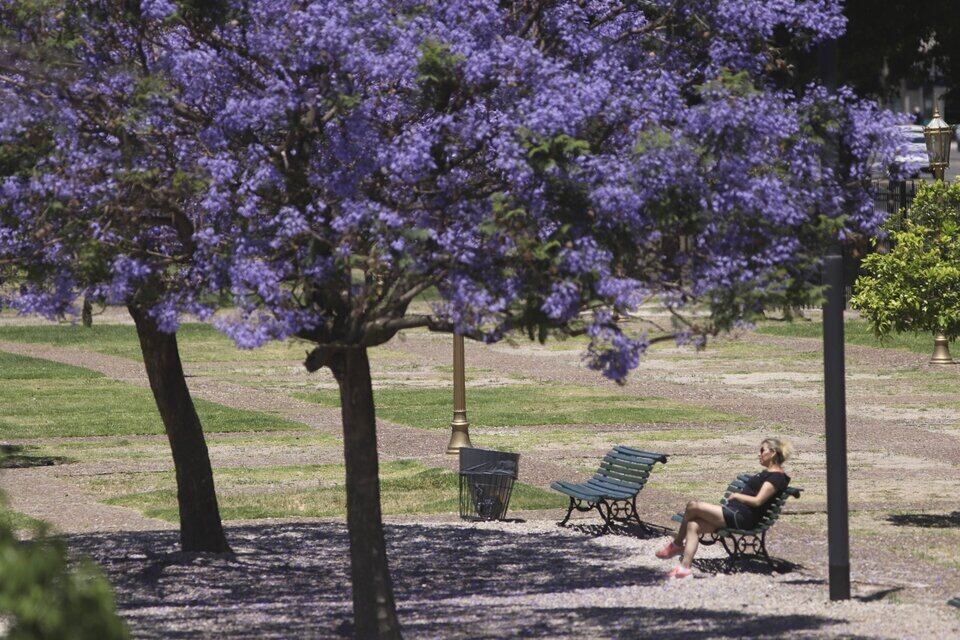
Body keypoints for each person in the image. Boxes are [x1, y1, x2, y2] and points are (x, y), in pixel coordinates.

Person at [654, 437, 793, 579]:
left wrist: (737, 496)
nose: (759, 454)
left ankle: (677, 545)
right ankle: (684, 569)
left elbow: (758, 501)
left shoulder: (776, 477)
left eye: (762, 450)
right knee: (693, 525)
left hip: (741, 517)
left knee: (693, 506)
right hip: (734, 513)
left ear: (773, 453)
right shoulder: (768, 474)